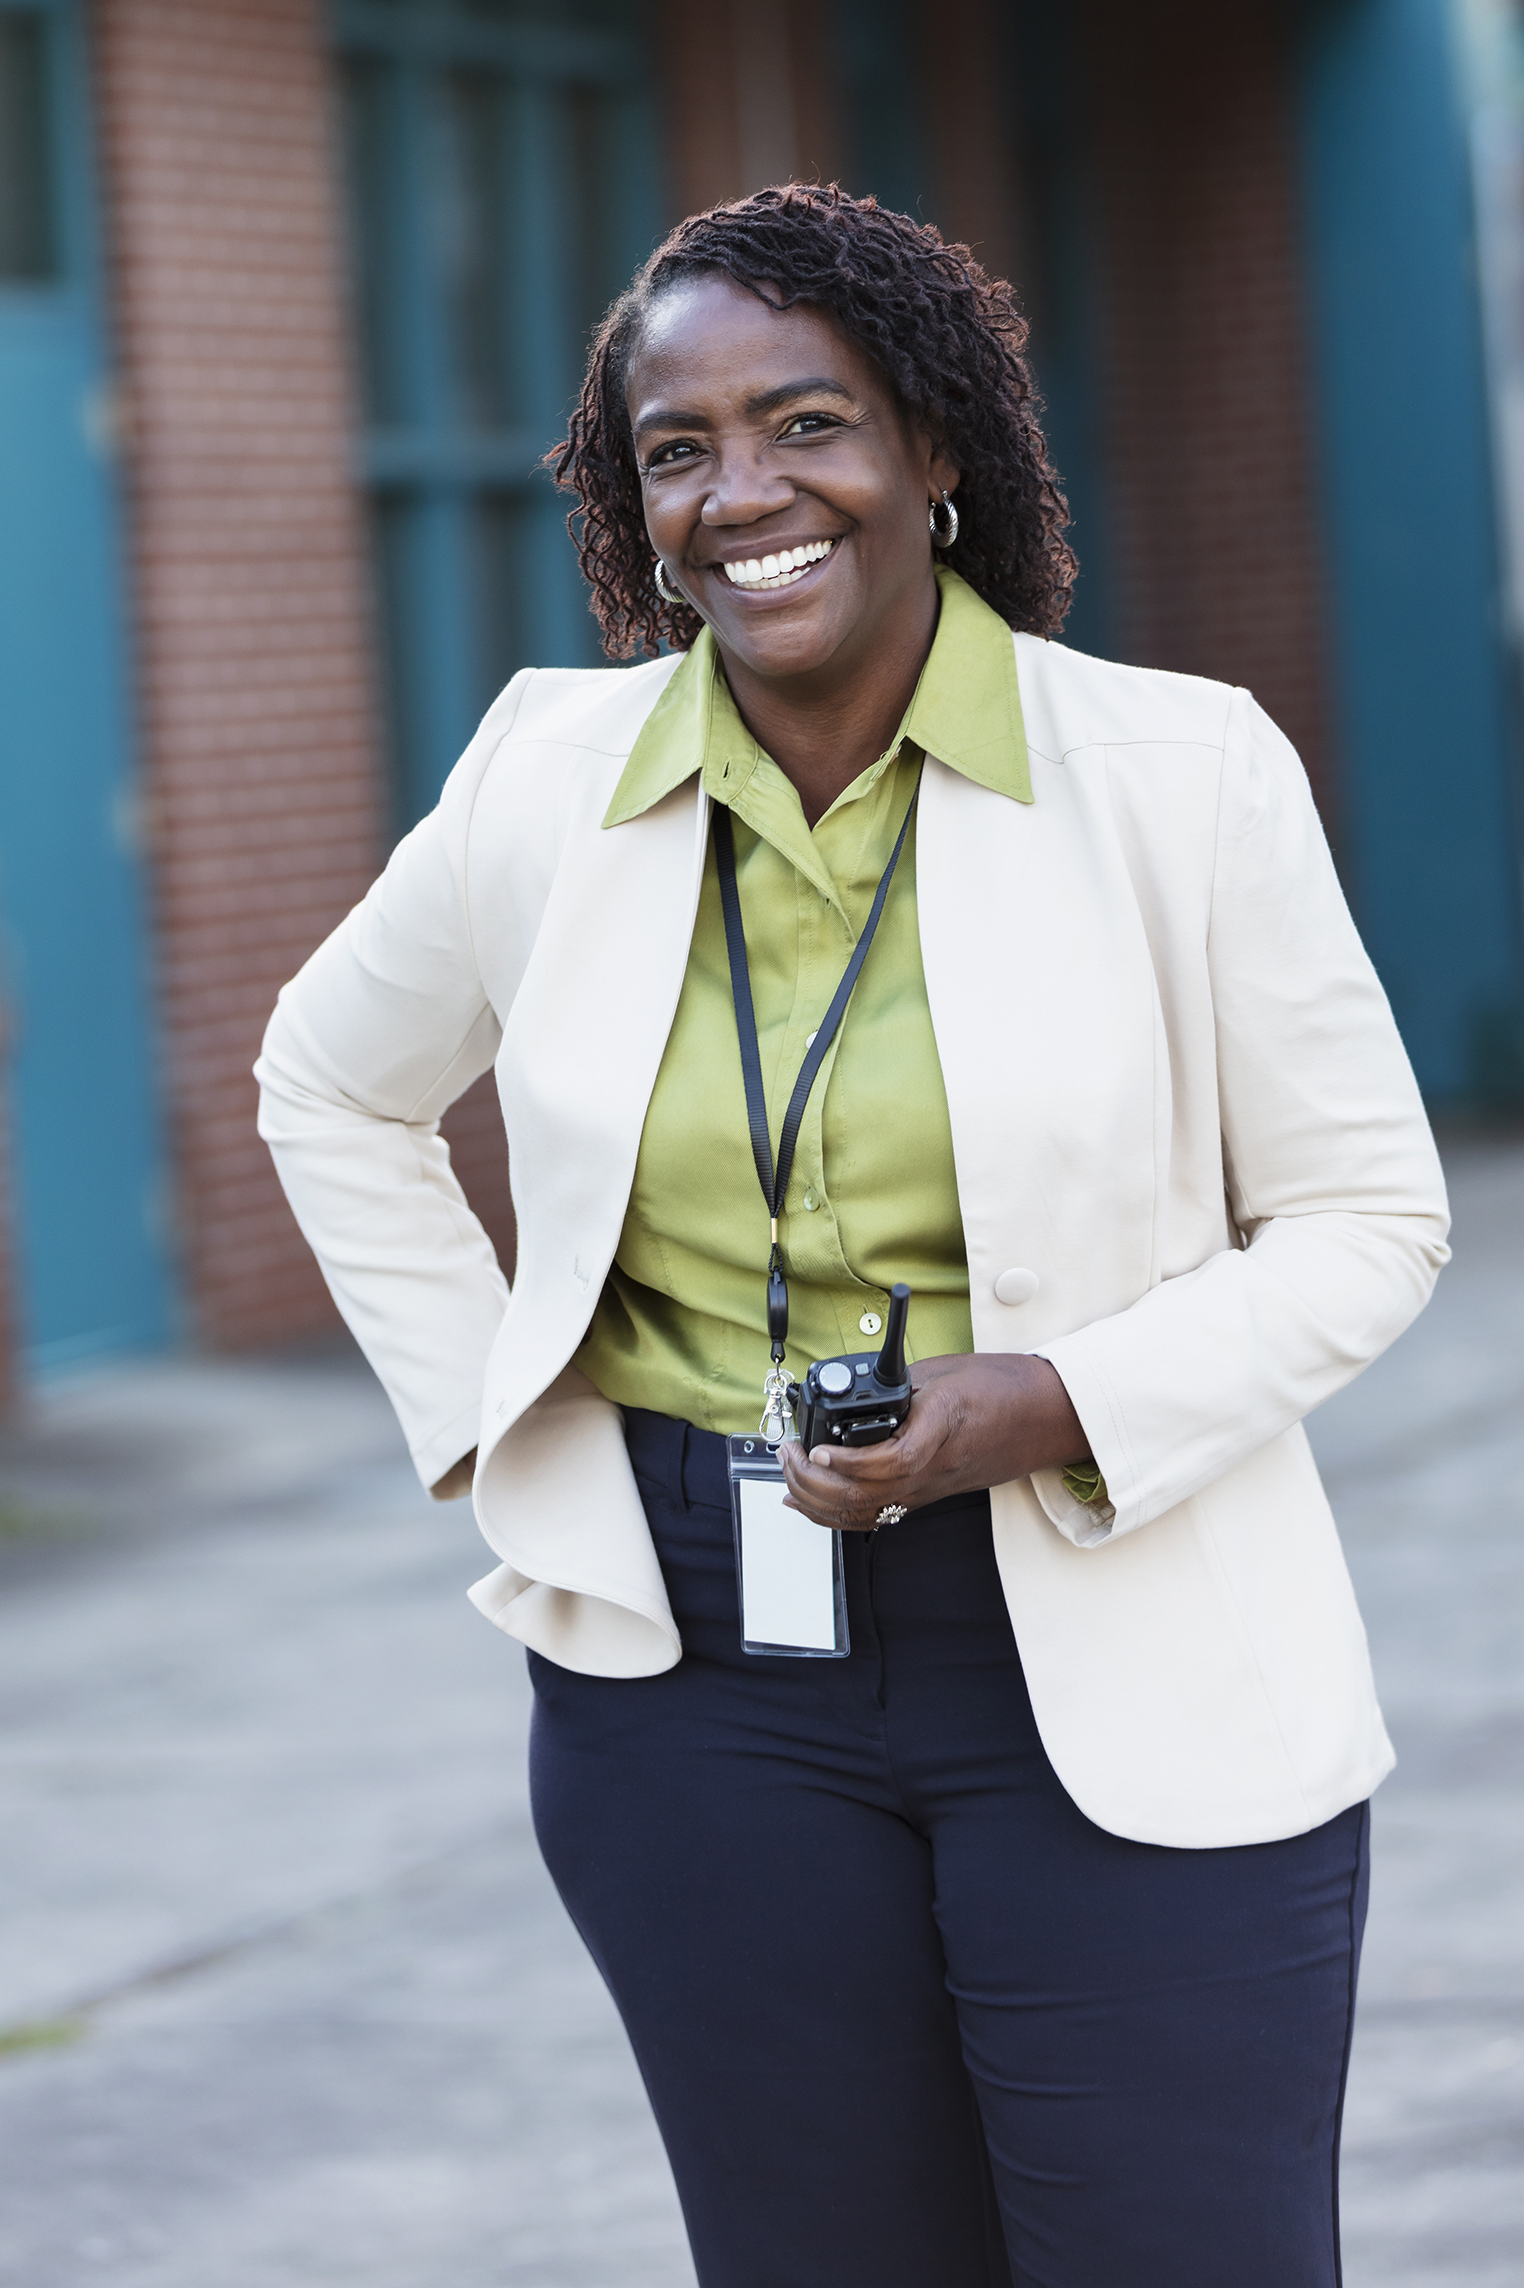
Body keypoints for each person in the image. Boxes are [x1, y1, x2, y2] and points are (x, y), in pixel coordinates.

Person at [256, 183, 1449, 2288]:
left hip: (1123, 1616)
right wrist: (498, 1426)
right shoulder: (549, 775)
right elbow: (328, 1083)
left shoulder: (1180, 775)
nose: (743, 494)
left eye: (804, 423)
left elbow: (1368, 1215)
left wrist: (1054, 1396)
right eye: (677, 448)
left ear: (936, 450)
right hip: (697, 1668)